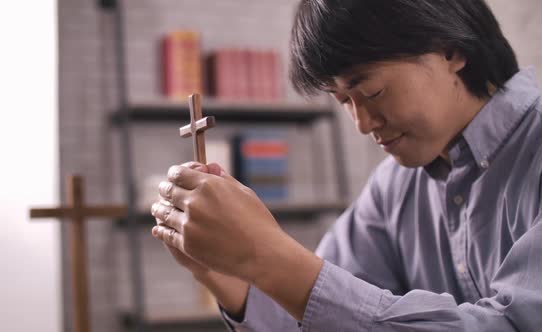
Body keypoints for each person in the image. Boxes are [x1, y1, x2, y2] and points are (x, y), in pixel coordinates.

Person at [150, 0, 542, 330]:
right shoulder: (394, 187)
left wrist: (267, 256)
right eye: (343, 101)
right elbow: (318, 313)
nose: (362, 123)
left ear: (451, 51)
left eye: (371, 91)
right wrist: (226, 270)